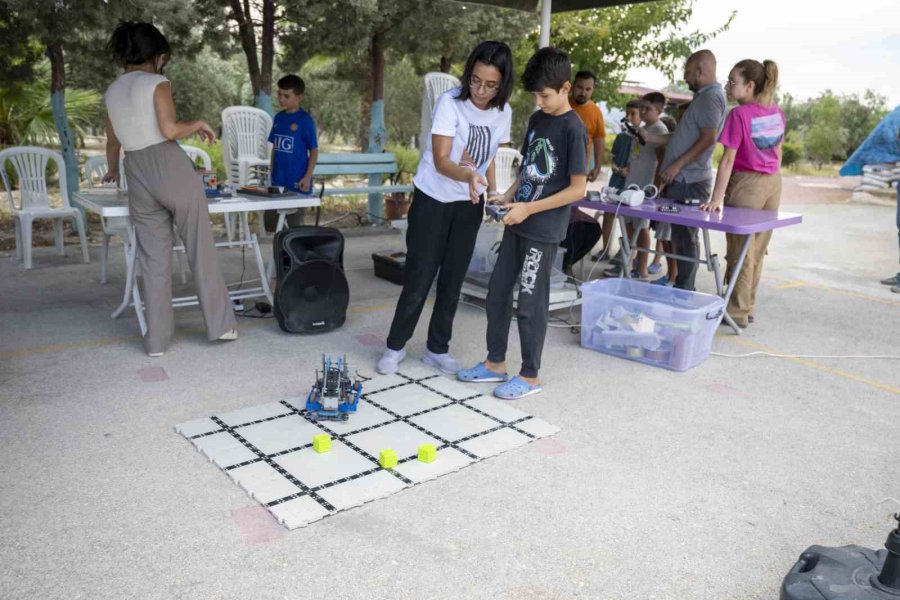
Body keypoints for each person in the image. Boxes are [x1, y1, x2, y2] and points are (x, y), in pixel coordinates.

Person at [376, 41, 514, 375]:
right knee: (420, 275)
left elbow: (492, 154)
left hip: (469, 202)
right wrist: (467, 174)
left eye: (490, 84)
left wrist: (491, 190)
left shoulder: (503, 111)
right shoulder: (449, 102)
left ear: (502, 83)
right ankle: (395, 347)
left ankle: (437, 348)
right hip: (434, 198)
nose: (481, 90)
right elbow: (440, 161)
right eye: (476, 80)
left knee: (453, 278)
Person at [458, 47, 587, 400]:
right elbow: (528, 169)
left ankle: (530, 375)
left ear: (565, 88)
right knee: (498, 293)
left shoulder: (574, 129)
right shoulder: (537, 120)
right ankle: (494, 363)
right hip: (517, 218)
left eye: (545, 95)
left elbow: (578, 189)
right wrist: (509, 195)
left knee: (530, 301)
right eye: (535, 95)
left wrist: (530, 209)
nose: (539, 101)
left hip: (542, 229)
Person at [103, 21, 237, 357]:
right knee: (199, 247)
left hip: (135, 170)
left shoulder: (112, 91)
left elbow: (112, 143)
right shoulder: (157, 82)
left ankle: (157, 341)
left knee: (153, 259)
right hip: (169, 166)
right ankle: (220, 326)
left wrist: (110, 171)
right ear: (157, 54)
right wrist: (198, 124)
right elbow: (169, 129)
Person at [702, 59, 785, 326]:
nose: (727, 86)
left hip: (747, 185)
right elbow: (779, 154)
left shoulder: (739, 114)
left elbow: (727, 160)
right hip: (773, 183)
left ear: (750, 86)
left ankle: (736, 313)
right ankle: (746, 307)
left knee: (741, 251)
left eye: (732, 81)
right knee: (757, 250)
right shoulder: (776, 112)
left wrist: (716, 199)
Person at [639, 50, 727, 290]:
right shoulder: (701, 98)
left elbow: (708, 139)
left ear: (701, 70)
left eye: (688, 72)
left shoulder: (711, 98)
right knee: (675, 236)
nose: (686, 77)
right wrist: (651, 138)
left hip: (690, 181)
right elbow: (681, 137)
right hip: (679, 180)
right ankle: (679, 284)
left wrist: (677, 165)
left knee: (685, 239)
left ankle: (685, 291)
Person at [560, 70, 606, 273]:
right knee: (559, 216)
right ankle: (555, 259)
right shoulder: (561, 104)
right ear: (571, 86)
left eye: (588, 89)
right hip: (557, 171)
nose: (583, 92)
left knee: (572, 217)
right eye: (580, 87)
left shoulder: (595, 111)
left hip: (579, 173)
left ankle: (566, 261)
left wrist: (596, 166)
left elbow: (599, 139)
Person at [621, 91, 668, 280]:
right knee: (630, 225)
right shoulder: (642, 128)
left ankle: (642, 269)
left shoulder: (660, 130)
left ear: (659, 110)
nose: (643, 111)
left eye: (648, 108)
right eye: (642, 107)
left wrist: (655, 188)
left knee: (642, 227)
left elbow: (661, 160)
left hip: (645, 186)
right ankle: (630, 263)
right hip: (632, 181)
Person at [263, 74, 318, 231]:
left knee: (296, 226)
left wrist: (307, 177)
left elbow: (314, 151)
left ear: (299, 97)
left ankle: (294, 250)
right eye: (279, 94)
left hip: (297, 183)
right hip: (278, 181)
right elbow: (275, 147)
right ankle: (285, 243)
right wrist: (271, 171)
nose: (282, 99)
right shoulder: (278, 118)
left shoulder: (305, 120)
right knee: (270, 224)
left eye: (287, 96)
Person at [598, 99, 640, 269]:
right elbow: (614, 157)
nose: (629, 117)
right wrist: (615, 167)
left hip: (631, 184)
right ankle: (605, 249)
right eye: (627, 113)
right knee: (609, 214)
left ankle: (624, 254)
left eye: (633, 114)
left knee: (629, 221)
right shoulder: (621, 137)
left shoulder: (642, 137)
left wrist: (630, 169)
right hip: (616, 181)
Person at [650, 112, 679, 282]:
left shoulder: (674, 149)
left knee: (669, 238)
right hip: (663, 193)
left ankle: (673, 276)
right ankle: (671, 275)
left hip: (671, 194)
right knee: (663, 236)